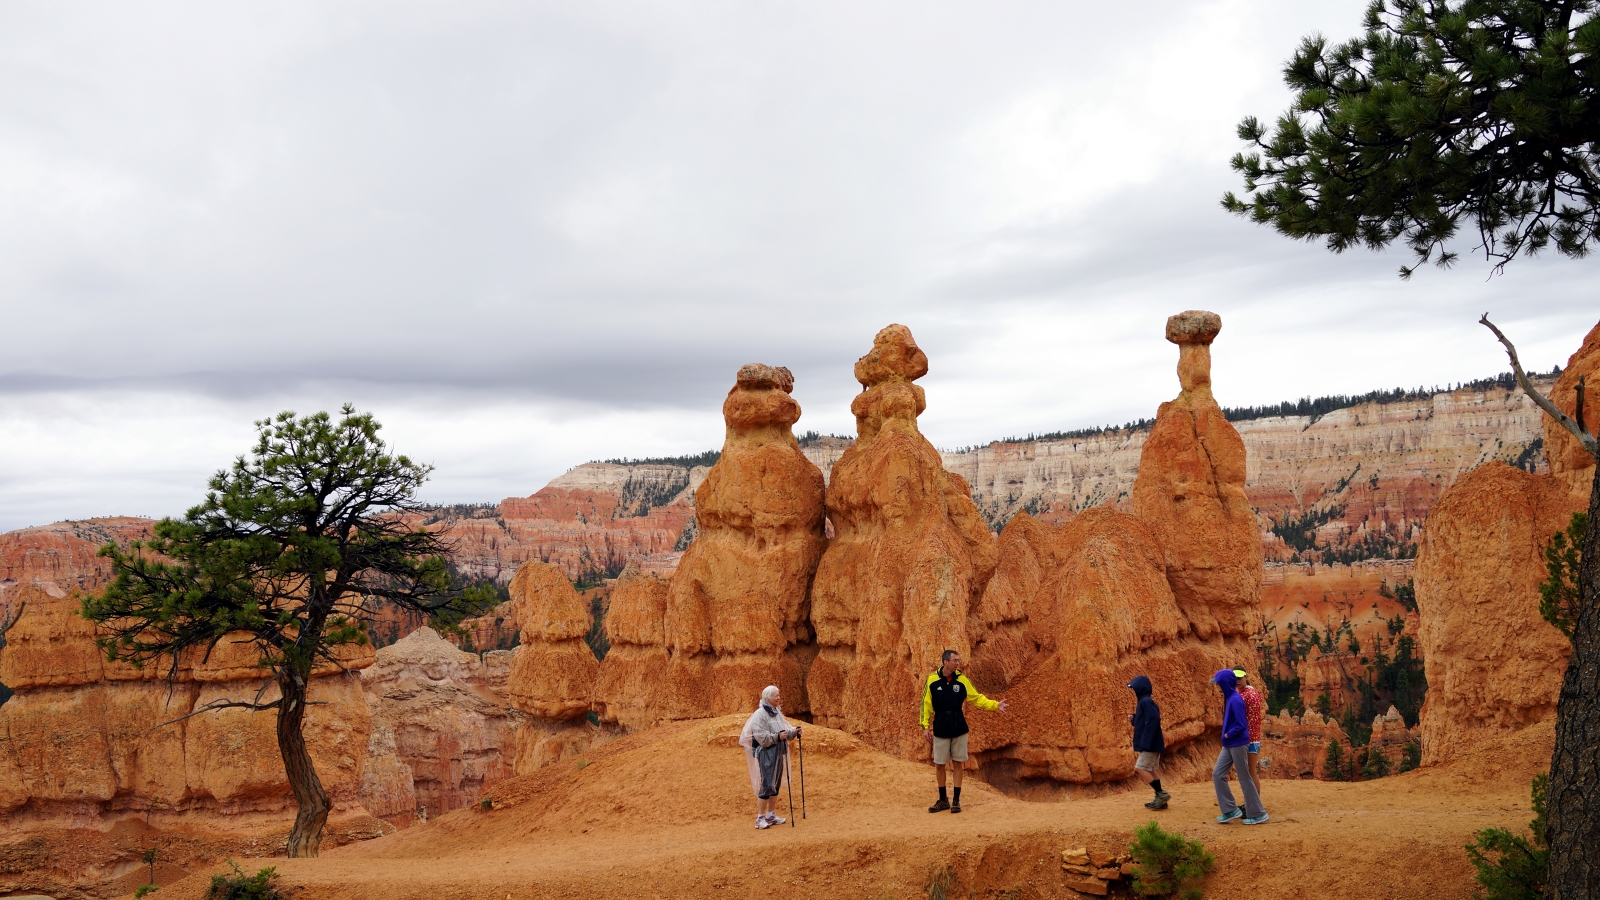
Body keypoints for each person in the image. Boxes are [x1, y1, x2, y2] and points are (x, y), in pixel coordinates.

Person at [921, 649, 1008, 813]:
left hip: (959, 727)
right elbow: (926, 705)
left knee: (958, 763)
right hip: (940, 727)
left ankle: (956, 801)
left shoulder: (962, 680)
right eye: (954, 660)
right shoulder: (932, 680)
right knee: (939, 764)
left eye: (958, 660)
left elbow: (977, 698)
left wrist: (995, 705)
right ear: (945, 662)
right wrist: (925, 726)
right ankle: (942, 800)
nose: (957, 663)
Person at [739, 685, 800, 830]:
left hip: (778, 752)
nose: (779, 698)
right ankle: (760, 818)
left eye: (779, 695)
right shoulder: (759, 715)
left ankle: (770, 815)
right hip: (766, 754)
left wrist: (793, 732)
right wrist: (777, 737)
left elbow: (784, 728)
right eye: (776, 696)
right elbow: (761, 738)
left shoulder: (776, 712)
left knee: (775, 784)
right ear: (768, 698)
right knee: (767, 784)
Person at [1211, 669, 1267, 825]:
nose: (1218, 688)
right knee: (1217, 774)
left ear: (1225, 684)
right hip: (1229, 744)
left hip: (1238, 743)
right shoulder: (1231, 697)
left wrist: (1228, 734)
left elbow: (1241, 725)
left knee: (1244, 778)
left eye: (1219, 684)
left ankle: (1258, 813)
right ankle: (1230, 810)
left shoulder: (1235, 700)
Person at [1127, 675, 1170, 810]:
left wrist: (1146, 741)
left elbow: (1153, 719)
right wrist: (1135, 719)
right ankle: (1160, 799)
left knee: (1140, 768)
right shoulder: (1145, 701)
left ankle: (1161, 794)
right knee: (1150, 769)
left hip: (1150, 744)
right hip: (1153, 743)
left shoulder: (1145, 701)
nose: (1134, 691)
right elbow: (1147, 720)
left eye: (1135, 688)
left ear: (1140, 689)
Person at [1234, 668, 1264, 800]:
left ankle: (1254, 803)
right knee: (1249, 771)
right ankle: (1252, 802)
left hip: (1250, 739)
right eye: (1234, 678)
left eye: (1240, 678)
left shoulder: (1247, 695)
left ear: (1246, 677)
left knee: (1251, 771)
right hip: (1251, 738)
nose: (1237, 681)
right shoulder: (1249, 692)